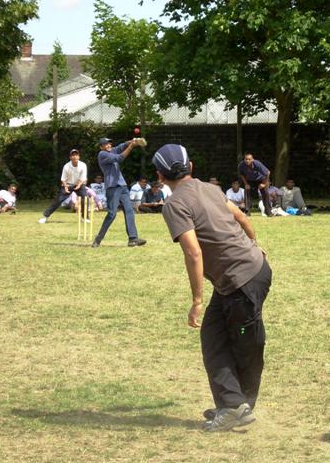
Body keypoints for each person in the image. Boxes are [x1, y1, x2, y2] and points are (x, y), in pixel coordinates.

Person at [154, 143, 272, 433]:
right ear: (190, 166)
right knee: (216, 336)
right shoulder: (210, 188)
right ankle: (234, 403)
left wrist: (196, 299)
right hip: (251, 272)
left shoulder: (174, 205)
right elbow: (242, 217)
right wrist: (254, 246)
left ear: (159, 176)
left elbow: (193, 252)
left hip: (239, 281)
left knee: (240, 343)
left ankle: (235, 406)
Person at [91, 137, 147, 247]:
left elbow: (122, 145)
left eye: (109, 143)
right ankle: (98, 239)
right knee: (112, 214)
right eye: (105, 144)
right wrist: (131, 147)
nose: (108, 145)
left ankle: (133, 238)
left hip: (122, 186)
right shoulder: (102, 154)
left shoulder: (112, 150)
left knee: (129, 210)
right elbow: (120, 158)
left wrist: (132, 141)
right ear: (101, 147)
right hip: (112, 187)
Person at [38, 149, 88, 224]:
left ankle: (84, 217)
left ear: (79, 157)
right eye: (73, 155)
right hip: (68, 184)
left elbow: (83, 178)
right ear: (70, 157)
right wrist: (65, 187)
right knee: (58, 200)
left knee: (85, 198)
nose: (74, 157)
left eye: (76, 155)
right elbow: (63, 179)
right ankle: (45, 217)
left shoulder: (83, 165)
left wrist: (79, 185)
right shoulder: (66, 166)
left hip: (79, 184)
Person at [238, 152, 272, 217]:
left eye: (249, 159)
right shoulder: (241, 165)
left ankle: (269, 212)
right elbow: (242, 175)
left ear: (252, 159)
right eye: (246, 159)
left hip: (261, 179)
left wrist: (263, 184)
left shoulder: (257, 164)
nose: (247, 161)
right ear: (244, 160)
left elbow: (268, 173)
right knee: (247, 192)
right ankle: (247, 212)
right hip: (250, 180)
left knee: (265, 193)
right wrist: (246, 184)